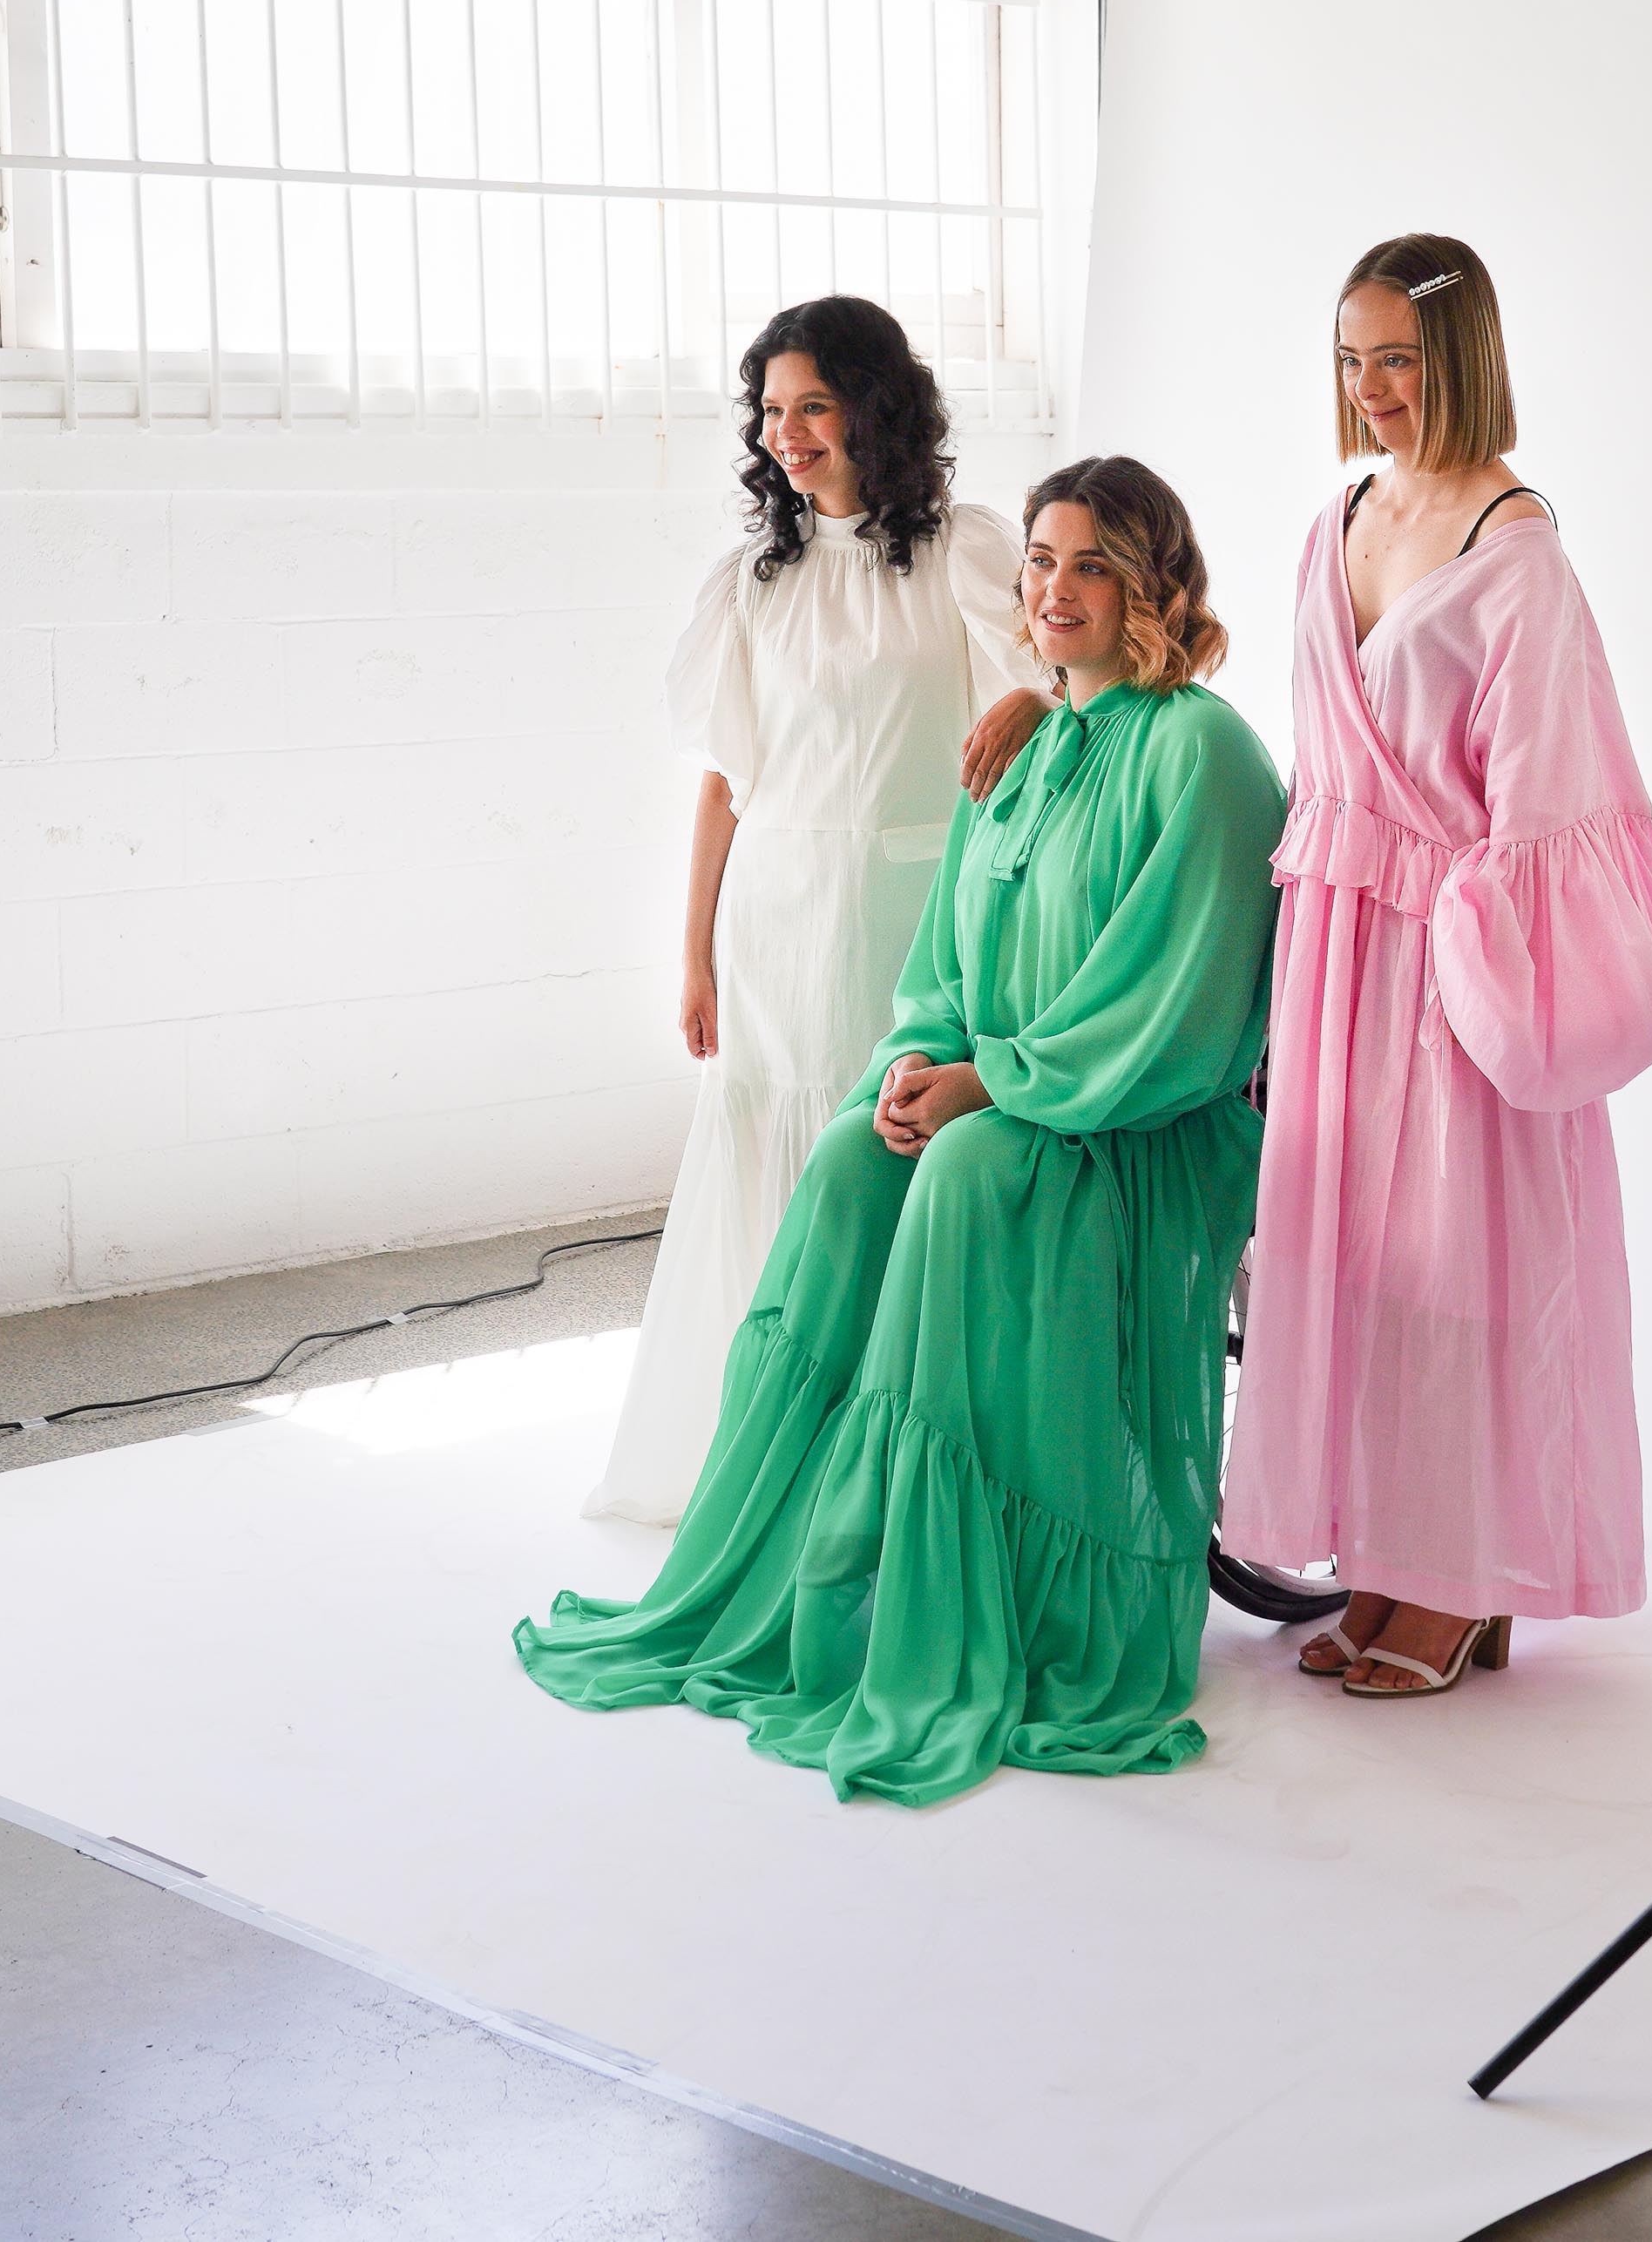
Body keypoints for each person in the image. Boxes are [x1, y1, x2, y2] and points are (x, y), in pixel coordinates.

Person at [518, 458, 1286, 1805]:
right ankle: (828, 1572)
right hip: (1009, 1092)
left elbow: (1177, 1000)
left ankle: (1023, 1601)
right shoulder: (1021, 748)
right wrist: (915, 1066)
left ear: (1151, 582)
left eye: (1090, 564)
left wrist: (995, 1085)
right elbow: (937, 968)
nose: (1053, 589)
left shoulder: (1202, 751)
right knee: (848, 1163)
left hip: (1134, 1125)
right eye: (1039, 561)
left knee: (968, 1172)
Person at [1222, 233, 1652, 1697]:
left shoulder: (1517, 550)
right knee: (1357, 1257)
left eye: (1399, 360)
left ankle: (1460, 1577)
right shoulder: (1339, 518)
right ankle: (1387, 1553)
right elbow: (1322, 757)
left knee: (1457, 1258)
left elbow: (1553, 797)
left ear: (1463, 355)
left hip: (1449, 954)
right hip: (1335, 944)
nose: (1370, 388)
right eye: (1350, 358)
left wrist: (1465, 936)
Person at [585, 297, 1050, 1526]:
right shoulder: (755, 578)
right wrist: (694, 955)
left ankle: (888, 1471)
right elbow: (728, 782)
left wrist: (1037, 699)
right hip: (777, 922)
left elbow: (1066, 686)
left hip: (910, 916)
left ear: (873, 409)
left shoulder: (963, 551)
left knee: (887, 1159)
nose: (785, 433)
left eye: (812, 406)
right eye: (771, 411)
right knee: (771, 1161)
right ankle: (771, 1463)